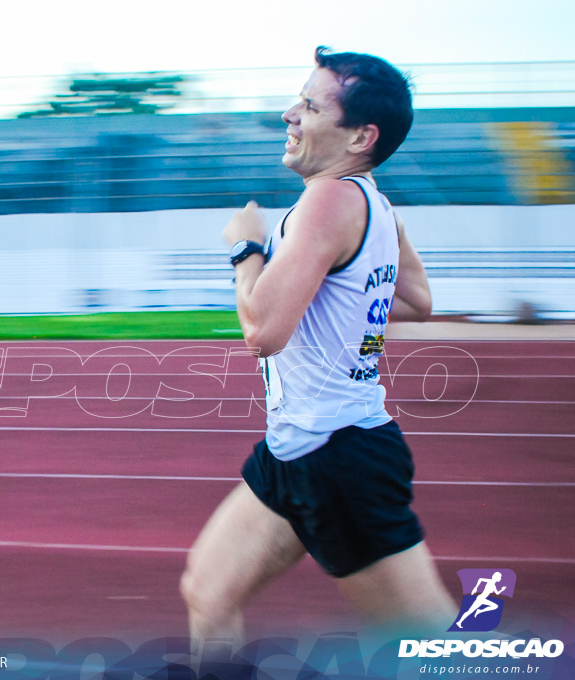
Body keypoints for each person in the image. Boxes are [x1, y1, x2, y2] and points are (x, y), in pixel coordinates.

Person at [180, 46, 456, 643]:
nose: (289, 114)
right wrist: (353, 337)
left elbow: (262, 331)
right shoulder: (376, 205)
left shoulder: (330, 200)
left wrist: (245, 248)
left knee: (431, 646)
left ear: (361, 136)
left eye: (308, 105)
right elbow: (415, 302)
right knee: (208, 590)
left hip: (340, 457)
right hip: (294, 452)